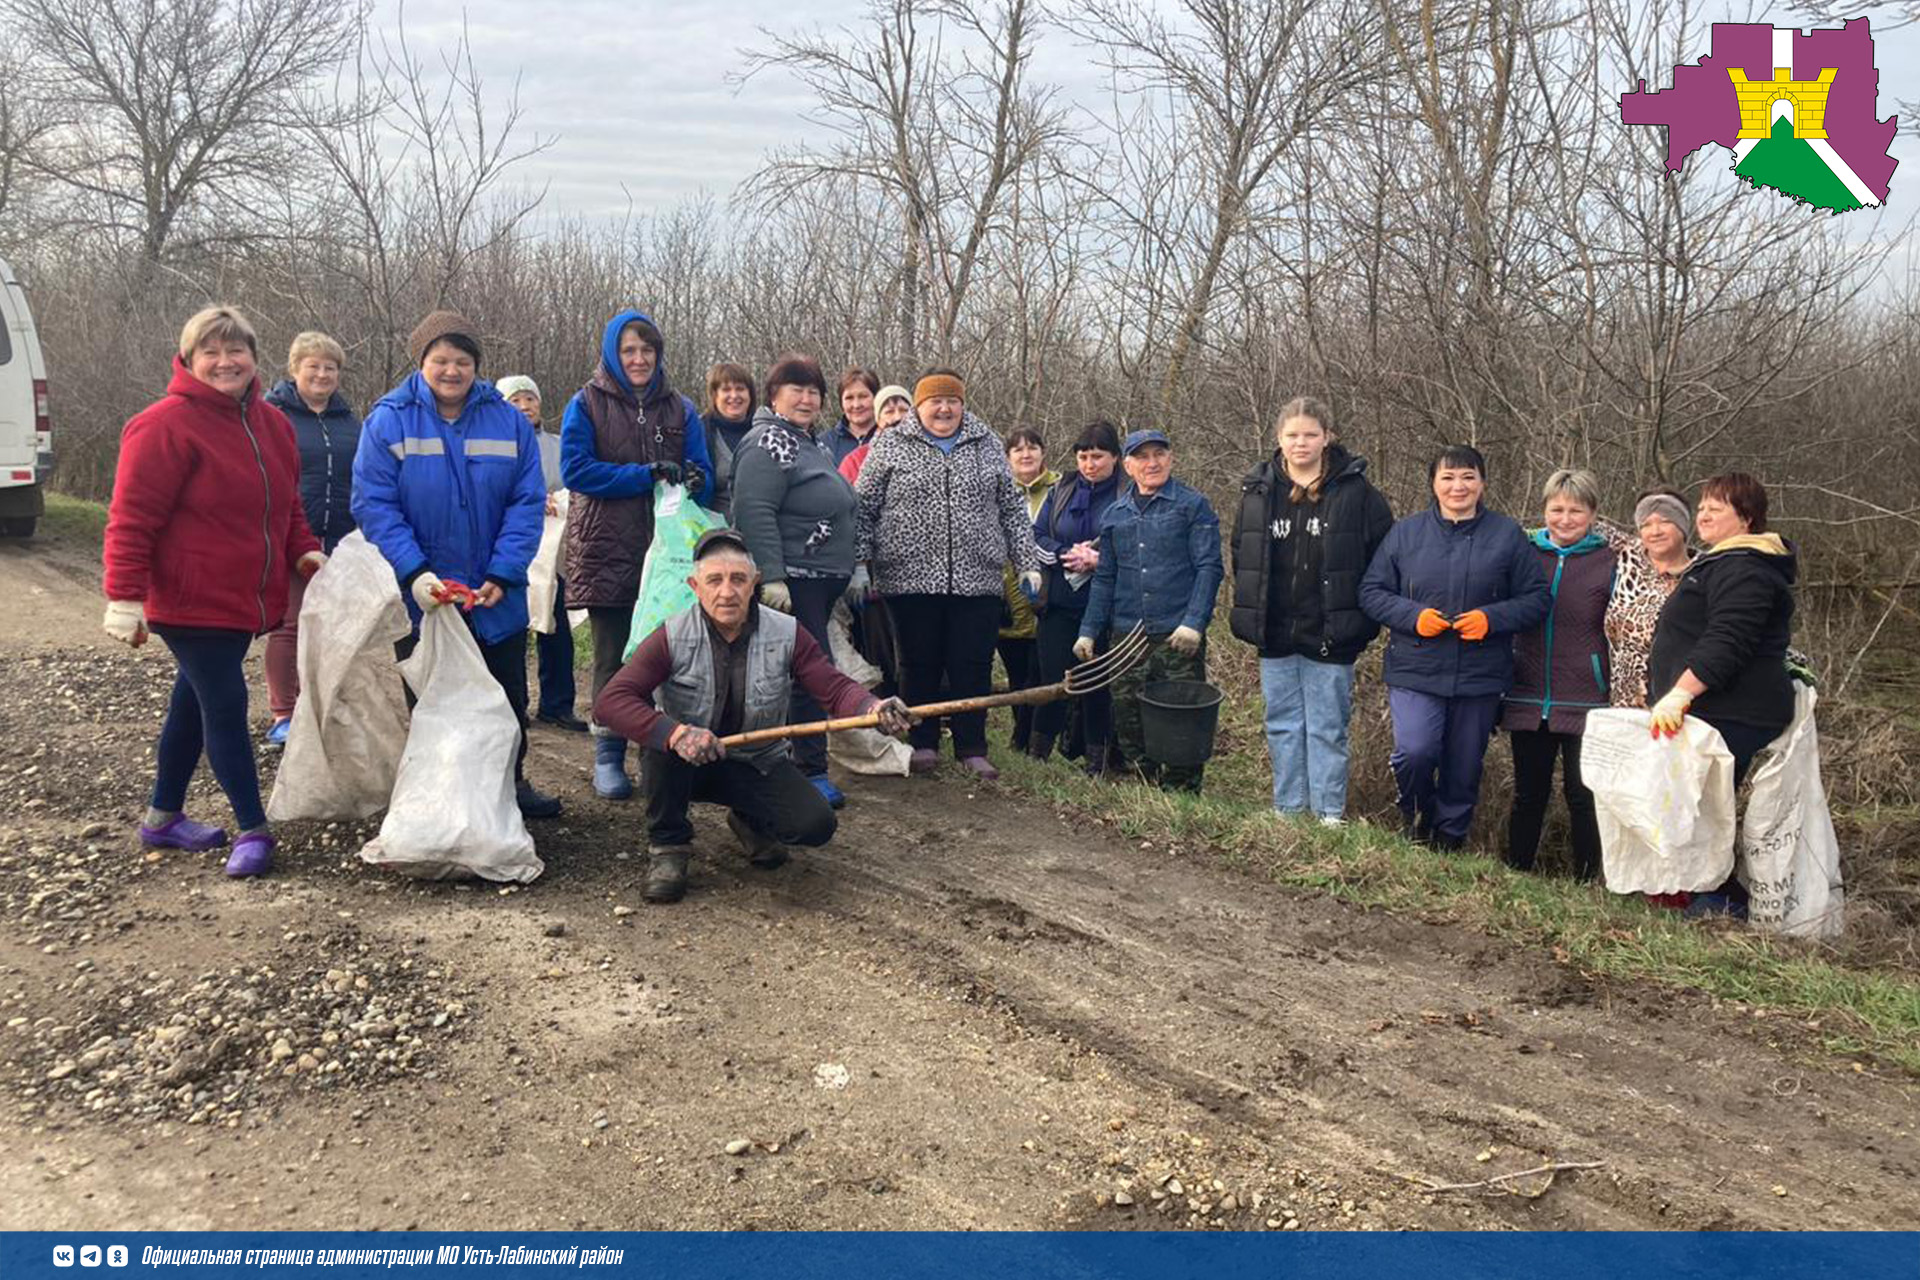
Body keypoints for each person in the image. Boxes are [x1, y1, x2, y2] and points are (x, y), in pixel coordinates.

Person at [104, 306, 325, 877]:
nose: (225, 362)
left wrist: (304, 549)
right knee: (225, 706)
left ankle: (163, 817)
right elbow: (132, 519)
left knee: (191, 704)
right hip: (190, 598)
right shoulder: (162, 426)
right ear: (188, 360)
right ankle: (254, 829)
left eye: (236, 351)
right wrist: (124, 597)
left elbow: (288, 505)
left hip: (242, 599)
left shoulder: (272, 425)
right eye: (211, 352)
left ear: (255, 358)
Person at [594, 528, 914, 903]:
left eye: (738, 579)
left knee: (816, 825)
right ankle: (668, 848)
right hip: (683, 762)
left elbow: (833, 687)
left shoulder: (788, 633)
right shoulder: (670, 635)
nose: (726, 591)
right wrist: (675, 733)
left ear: (755, 584)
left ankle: (750, 820)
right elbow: (611, 700)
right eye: (714, 580)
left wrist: (871, 707)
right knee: (658, 749)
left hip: (756, 761)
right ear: (695, 586)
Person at [353, 310, 561, 819]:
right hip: (422, 594)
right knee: (431, 699)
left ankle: (507, 786)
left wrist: (503, 573)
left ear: (477, 366)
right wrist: (415, 572)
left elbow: (525, 501)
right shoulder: (389, 420)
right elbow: (374, 504)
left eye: (462, 360)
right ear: (421, 361)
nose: (452, 370)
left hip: (495, 594)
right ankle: (438, 796)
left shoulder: (508, 420)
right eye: (440, 359)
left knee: (505, 696)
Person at [1360, 445, 1551, 850]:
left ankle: (1449, 840)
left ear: (1482, 483)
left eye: (1467, 477)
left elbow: (1537, 598)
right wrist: (1412, 616)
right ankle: (1416, 825)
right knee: (1414, 752)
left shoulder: (1507, 535)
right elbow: (1372, 591)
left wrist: (1492, 619)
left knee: (1463, 767)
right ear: (1433, 484)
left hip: (1480, 673)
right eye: (1447, 477)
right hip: (1415, 667)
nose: (1458, 486)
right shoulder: (1405, 534)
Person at [853, 369, 1040, 779]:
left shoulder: (987, 442)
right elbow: (863, 506)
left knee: (971, 663)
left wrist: (1026, 561)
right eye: (935, 401)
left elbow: (1011, 507)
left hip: (978, 578)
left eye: (952, 400)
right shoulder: (891, 443)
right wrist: (859, 564)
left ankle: (972, 746)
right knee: (919, 662)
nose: (944, 408)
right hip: (909, 579)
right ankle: (922, 741)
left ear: (962, 404)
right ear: (919, 406)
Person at [560, 309, 714, 800]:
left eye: (647, 350)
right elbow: (576, 470)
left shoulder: (681, 407)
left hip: (669, 554)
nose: (639, 359)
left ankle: (661, 752)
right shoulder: (585, 403)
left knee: (669, 653)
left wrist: (696, 480)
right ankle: (608, 754)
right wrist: (643, 474)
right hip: (609, 545)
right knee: (612, 654)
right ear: (613, 353)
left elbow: (703, 473)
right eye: (629, 350)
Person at [1228, 397, 1393, 825]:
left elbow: (1383, 558)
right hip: (1275, 629)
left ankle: (1328, 814)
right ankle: (1288, 808)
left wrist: (1360, 619)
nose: (1300, 443)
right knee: (1281, 723)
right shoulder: (1258, 490)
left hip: (1332, 630)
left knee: (1327, 727)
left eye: (1310, 434)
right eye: (1292, 435)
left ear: (1327, 437)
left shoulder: (1357, 492)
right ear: (1278, 438)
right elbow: (1240, 553)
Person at [730, 354, 860, 808]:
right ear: (774, 396)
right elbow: (753, 510)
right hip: (794, 582)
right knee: (809, 671)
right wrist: (773, 576)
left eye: (813, 391)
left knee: (802, 671)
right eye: (796, 389)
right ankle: (809, 769)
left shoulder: (808, 443)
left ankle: (790, 760)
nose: (806, 399)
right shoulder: (768, 442)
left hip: (821, 580)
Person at [1075, 429, 1224, 793]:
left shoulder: (1192, 505)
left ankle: (1181, 797)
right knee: (1129, 717)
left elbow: (1209, 567)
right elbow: (1105, 578)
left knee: (1179, 721)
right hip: (1127, 636)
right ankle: (1146, 788)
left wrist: (1194, 623)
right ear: (1128, 465)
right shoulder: (1115, 515)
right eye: (1142, 457)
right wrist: (1089, 630)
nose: (1152, 463)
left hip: (1176, 636)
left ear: (1171, 458)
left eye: (1159, 454)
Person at [1498, 470, 1617, 879]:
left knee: (1583, 795)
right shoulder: (1523, 552)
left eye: (1576, 511)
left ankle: (1587, 880)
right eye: (1557, 509)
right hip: (1527, 691)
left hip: (1588, 696)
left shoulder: (1610, 560)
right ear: (1544, 509)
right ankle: (1517, 873)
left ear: (1593, 514)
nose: (1565, 519)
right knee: (1529, 793)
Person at [1647, 472, 1798, 787]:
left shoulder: (1746, 568)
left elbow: (1727, 640)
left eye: (1715, 509)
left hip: (1730, 715)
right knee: (1691, 819)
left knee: (1700, 821)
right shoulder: (1723, 562)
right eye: (1701, 508)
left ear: (1746, 517)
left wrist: (1680, 694)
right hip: (1710, 713)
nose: (1703, 515)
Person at [262, 331, 361, 748]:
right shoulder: (271, 414)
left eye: (330, 367)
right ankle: (284, 712)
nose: (322, 374)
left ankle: (324, 704)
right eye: (314, 366)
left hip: (341, 534)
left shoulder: (348, 421)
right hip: (289, 534)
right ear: (294, 368)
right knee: (290, 622)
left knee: (334, 625)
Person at [1030, 421, 1123, 770]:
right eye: (1083, 456)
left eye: (1098, 456)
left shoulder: (1126, 495)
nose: (1089, 464)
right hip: (1057, 601)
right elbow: (1036, 535)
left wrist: (1097, 560)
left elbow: (1132, 547)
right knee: (1052, 678)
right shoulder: (1061, 489)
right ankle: (1038, 754)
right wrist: (1064, 554)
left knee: (1097, 684)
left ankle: (1096, 761)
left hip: (1103, 606)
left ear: (1115, 457)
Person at [498, 374, 584, 732]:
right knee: (514, 627)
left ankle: (557, 704)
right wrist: (534, 499)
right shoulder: (496, 445)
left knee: (556, 626)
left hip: (556, 551)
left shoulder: (559, 444)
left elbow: (576, 482)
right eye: (515, 401)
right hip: (513, 548)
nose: (524, 407)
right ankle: (511, 705)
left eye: (529, 400)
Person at [998, 426, 1058, 753]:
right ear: (1007, 458)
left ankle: (1031, 737)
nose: (1026, 454)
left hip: (1048, 595)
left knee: (1041, 670)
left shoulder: (1062, 488)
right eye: (1018, 449)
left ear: (1043, 452)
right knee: (1017, 671)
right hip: (1006, 593)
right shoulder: (998, 489)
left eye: (1032, 447)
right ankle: (1020, 735)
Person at [1605, 487, 1693, 709]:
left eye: (1665, 521)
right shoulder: (1627, 554)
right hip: (1622, 703)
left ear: (1683, 526)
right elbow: (1573, 522)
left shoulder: (1705, 572)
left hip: (1677, 704)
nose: (1655, 531)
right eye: (1645, 524)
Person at [702, 362, 757, 519]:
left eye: (740, 389)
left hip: (762, 530)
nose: (734, 396)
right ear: (715, 395)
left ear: (750, 394)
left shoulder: (766, 432)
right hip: (715, 533)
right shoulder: (700, 432)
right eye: (726, 390)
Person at [838, 384, 911, 485]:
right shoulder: (855, 460)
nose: (898, 417)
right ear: (878, 420)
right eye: (889, 412)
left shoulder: (927, 453)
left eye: (904, 410)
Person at [826, 367, 881, 465]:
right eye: (849, 398)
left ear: (876, 398)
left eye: (863, 396)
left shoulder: (890, 437)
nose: (856, 405)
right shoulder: (825, 443)